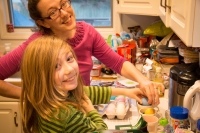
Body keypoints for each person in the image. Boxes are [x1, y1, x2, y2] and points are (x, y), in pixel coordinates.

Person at [0, 0, 164, 104]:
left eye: (63, 3)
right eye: (53, 12)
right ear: (43, 22)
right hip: (52, 117)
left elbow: (117, 62)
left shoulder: (87, 32)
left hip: (81, 106)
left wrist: (142, 81)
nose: (65, 13)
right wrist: (30, 96)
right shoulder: (37, 47)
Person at [21, 36, 146, 133]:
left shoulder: (50, 97)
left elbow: (86, 92)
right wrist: (91, 110)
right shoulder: (68, 117)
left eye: (69, 59)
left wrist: (126, 92)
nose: (69, 69)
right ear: (40, 77)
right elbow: (100, 130)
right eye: (55, 66)